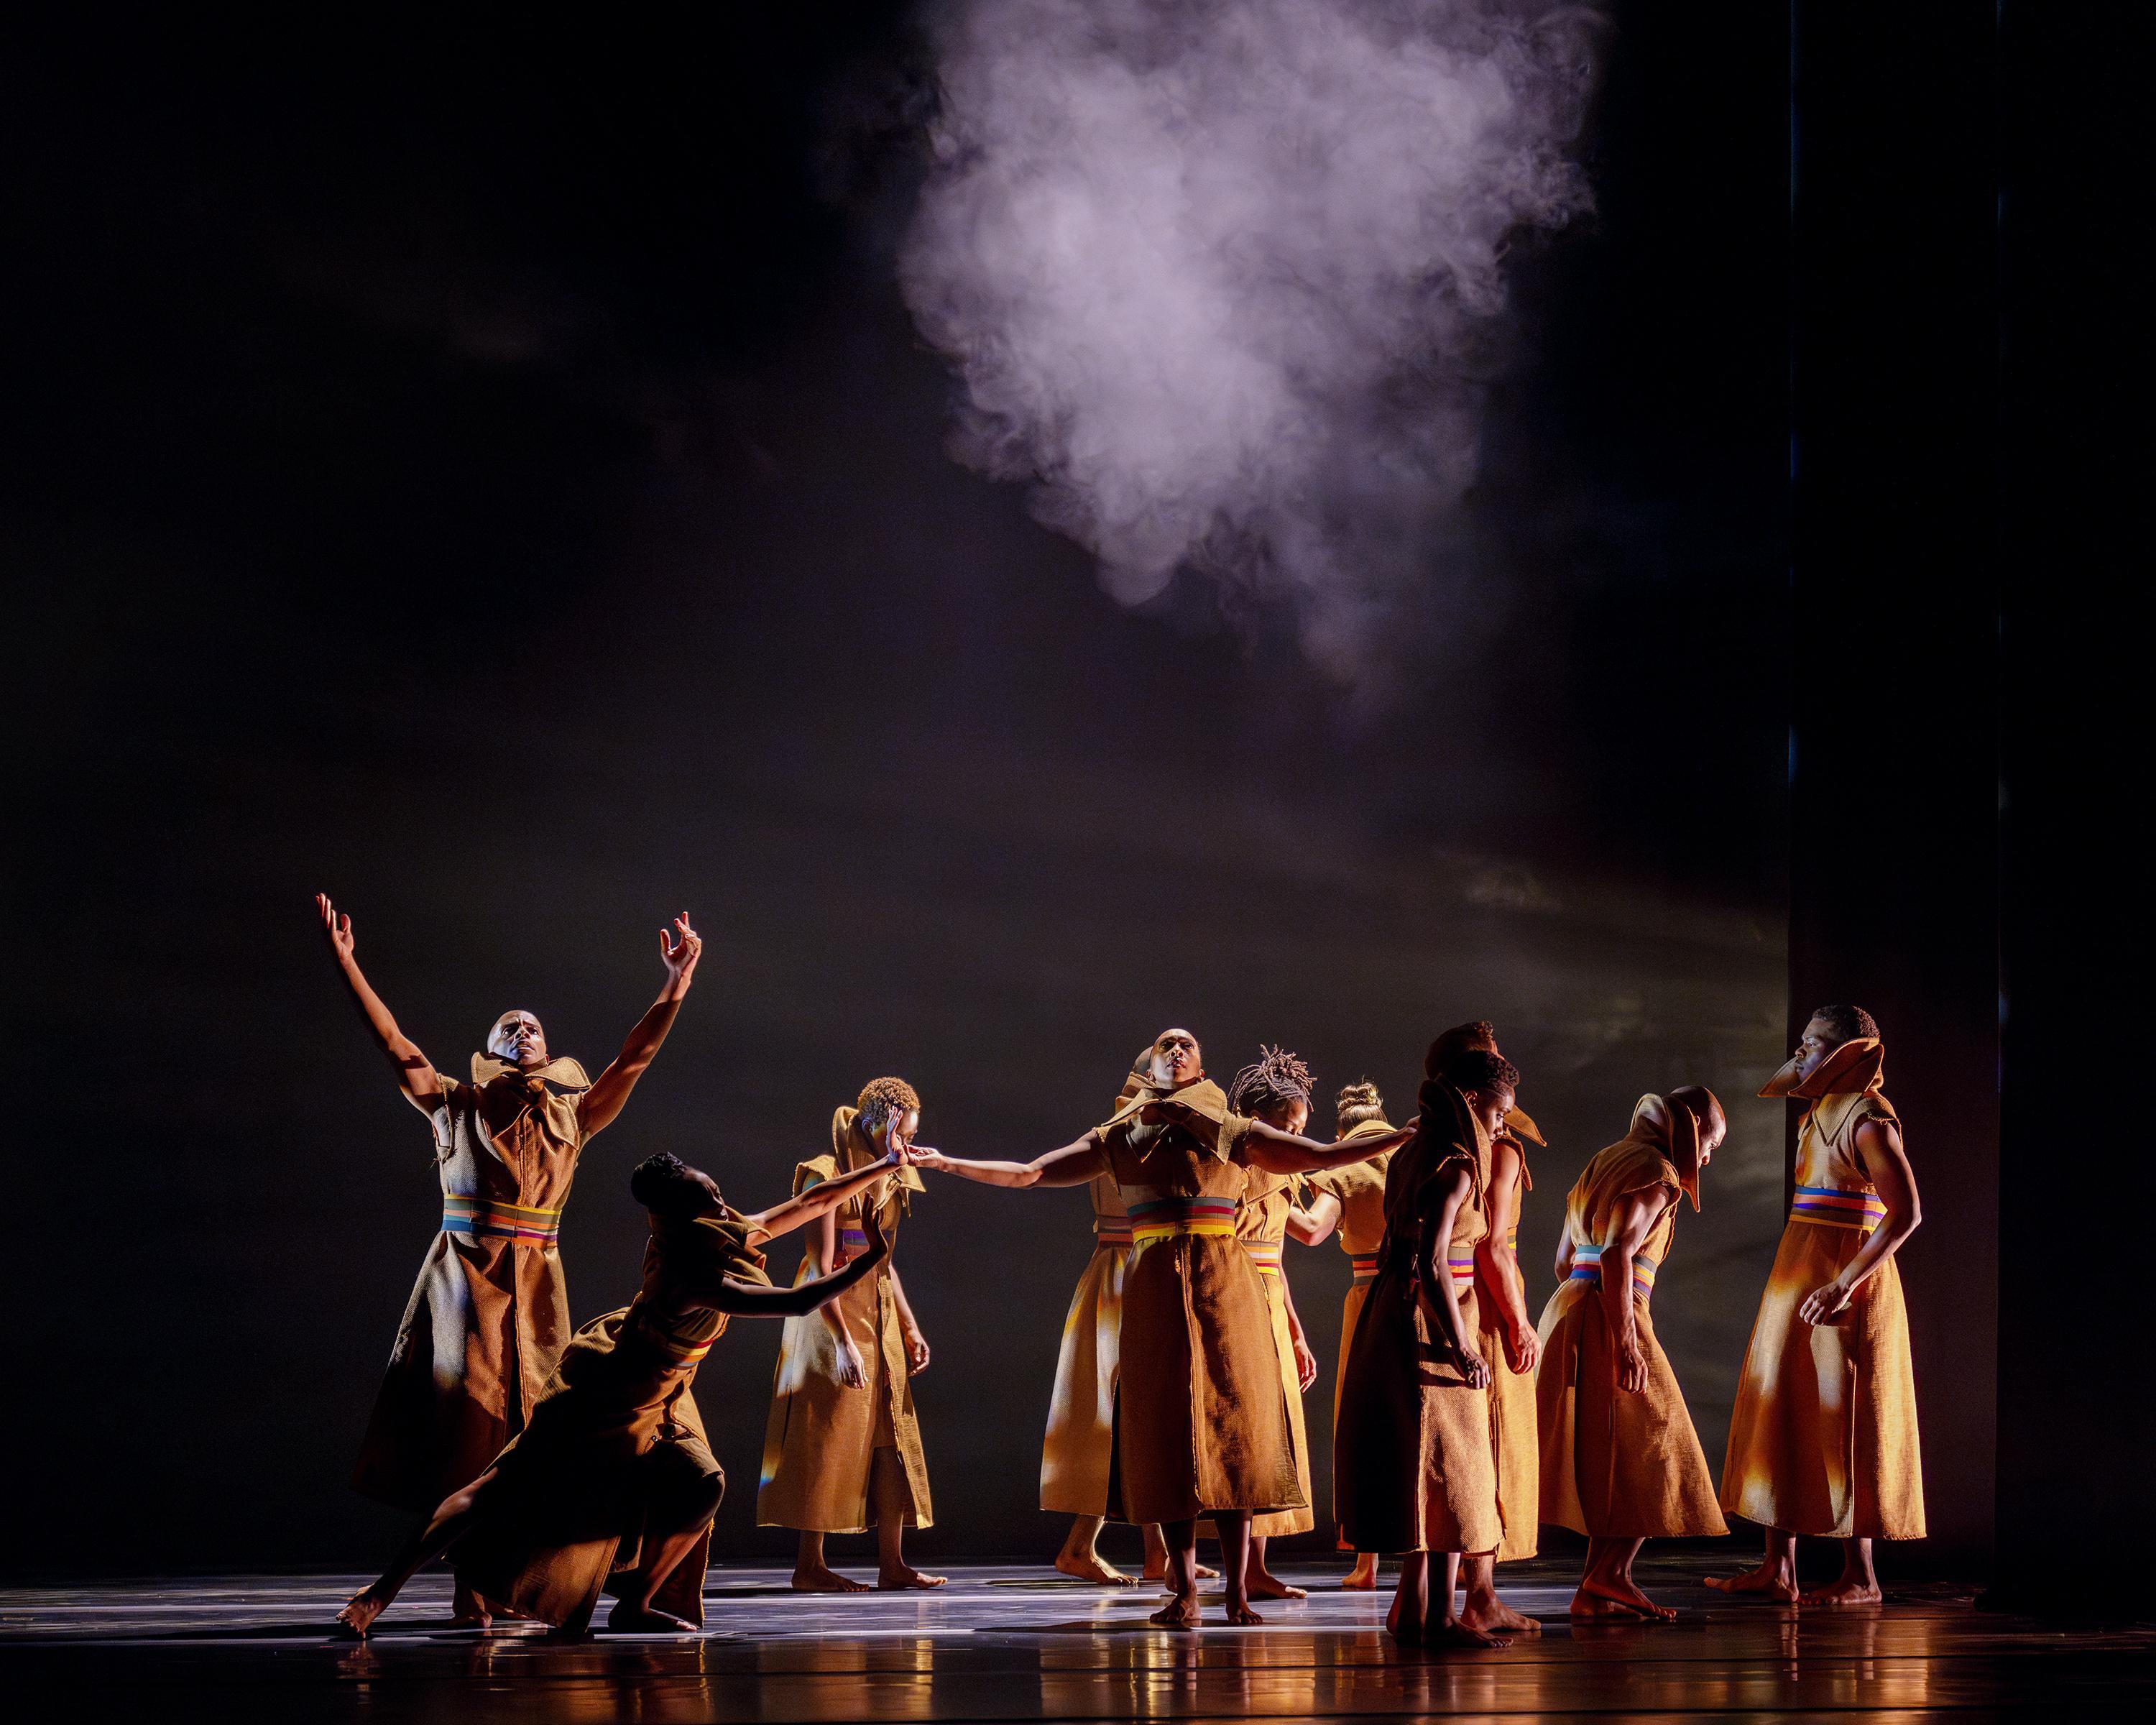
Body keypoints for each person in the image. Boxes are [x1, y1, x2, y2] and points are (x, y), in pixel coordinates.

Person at [911, 1027, 1412, 1628]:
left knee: (1235, 1425)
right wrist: (946, 1162)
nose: (1176, 1050)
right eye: (1165, 1044)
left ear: (1201, 1067)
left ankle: (1236, 1595)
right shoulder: (1123, 1134)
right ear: (1150, 1063)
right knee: (1164, 1430)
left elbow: (1318, 1157)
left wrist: (1399, 1139)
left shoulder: (1229, 1128)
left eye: (1188, 1045)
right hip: (1150, 1287)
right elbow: (1030, 1173)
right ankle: (1185, 1592)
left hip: (1224, 1284)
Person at [317, 893, 702, 1625]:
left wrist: (676, 982)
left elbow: (636, 1056)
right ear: (491, 1049)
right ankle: (459, 1586)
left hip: (538, 1284)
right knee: (467, 1428)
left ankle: (509, 1578)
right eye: (509, 1028)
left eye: (533, 1028)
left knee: (537, 1431)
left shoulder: (574, 1111)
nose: (524, 1033)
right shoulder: (454, 1103)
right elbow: (395, 1043)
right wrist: (348, 964)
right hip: (465, 1281)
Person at [333, 1147, 901, 1639]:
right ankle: (379, 1595)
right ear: (682, 1217)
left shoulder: (712, 1233)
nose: (725, 1207)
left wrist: (882, 1166)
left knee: (703, 1482)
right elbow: (794, 1302)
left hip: (664, 1392)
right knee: (495, 1489)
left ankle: (636, 1605)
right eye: (711, 1201)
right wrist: (873, 1257)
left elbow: (807, 1204)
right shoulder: (690, 1273)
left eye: (719, 1193)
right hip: (609, 1390)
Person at [1710, 1006, 1925, 1606]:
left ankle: (1861, 1577)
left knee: (1849, 1412)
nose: (1800, 1053)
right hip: (1798, 1275)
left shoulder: (1869, 1120)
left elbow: (1905, 1213)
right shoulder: (1820, 1113)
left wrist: (1845, 1284)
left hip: (1842, 1286)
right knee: (1784, 1404)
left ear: (1846, 1053)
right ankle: (1778, 1567)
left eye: (1813, 1044)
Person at [1335, 1048, 1529, 1648]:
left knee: (1434, 1464)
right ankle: (1439, 1616)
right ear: (1473, 1103)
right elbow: (1433, 1256)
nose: (1502, 1127)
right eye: (1499, 1114)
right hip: (1430, 1318)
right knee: (1458, 1467)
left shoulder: (1412, 1152)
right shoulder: (1457, 1163)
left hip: (1394, 1310)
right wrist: (1462, 1343)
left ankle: (1418, 1607)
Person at [1536, 1089, 1731, 1620]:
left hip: (1572, 1305)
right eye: (1710, 1144)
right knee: (1660, 1446)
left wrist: (1587, 1306)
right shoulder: (1657, 1169)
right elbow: (1620, 1252)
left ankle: (1600, 1584)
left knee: (1613, 1452)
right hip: (1611, 1312)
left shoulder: (1605, 1159)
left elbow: (1563, 1260)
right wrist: (1625, 1335)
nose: (1707, 1159)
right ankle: (1607, 1574)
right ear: (1690, 1130)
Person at [757, 1079, 944, 1591]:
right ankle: (809, 1565)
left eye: (910, 1136)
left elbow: (883, 1261)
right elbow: (821, 1265)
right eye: (899, 1135)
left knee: (891, 1437)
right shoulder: (826, 1173)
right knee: (826, 1433)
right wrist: (841, 1341)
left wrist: (909, 1325)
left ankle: (892, 1563)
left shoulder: (895, 1177)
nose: (904, 1146)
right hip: (829, 1312)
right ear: (875, 1125)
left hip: (877, 1310)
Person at [1042, 1054, 1195, 1586]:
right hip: (1127, 1275)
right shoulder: (1130, 1132)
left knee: (1131, 1414)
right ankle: (1085, 1547)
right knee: (1125, 1413)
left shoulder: (1125, 1129)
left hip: (1127, 1270)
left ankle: (1152, 1552)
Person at [1225, 1047, 1325, 1602]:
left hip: (1268, 1296)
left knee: (1276, 1427)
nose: (1295, 1140)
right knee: (1240, 1426)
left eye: (1300, 1129)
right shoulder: (1234, 1171)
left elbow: (1280, 1259)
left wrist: (1296, 1329)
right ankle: (1188, 1565)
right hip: (1234, 1294)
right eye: (1286, 1127)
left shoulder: (1285, 1179)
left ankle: (1258, 1567)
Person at [1290, 1080, 1398, 1591]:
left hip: (1372, 1299)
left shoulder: (1346, 1170)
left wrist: (1260, 1195)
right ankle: (1457, 1556)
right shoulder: (1418, 1155)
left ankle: (1367, 1563)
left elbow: (1312, 1231)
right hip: (1437, 1295)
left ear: (1343, 1133)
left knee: (1367, 1425)